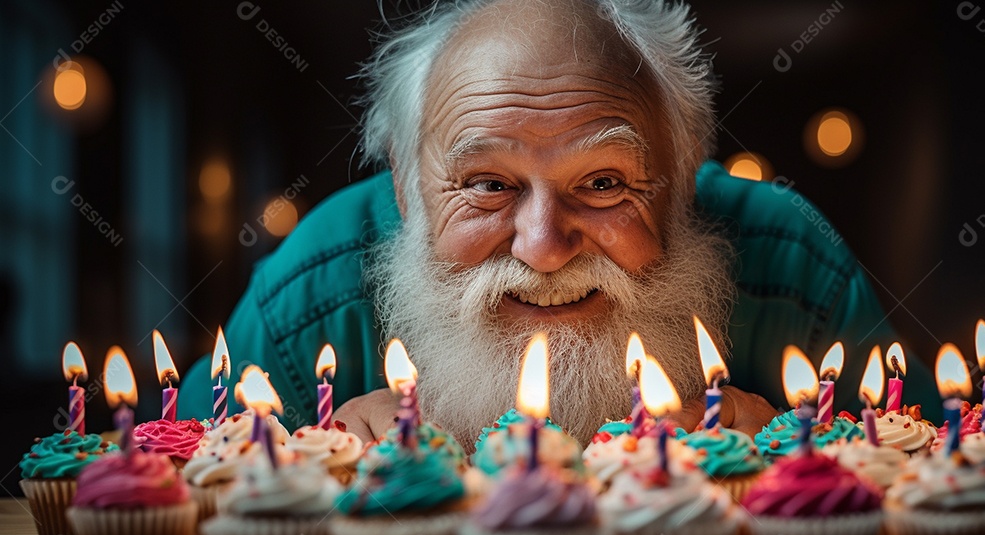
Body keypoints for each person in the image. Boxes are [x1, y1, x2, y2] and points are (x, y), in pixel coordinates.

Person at [176, 0, 938, 449]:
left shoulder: (792, 259)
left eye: (604, 182)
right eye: (487, 184)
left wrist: (792, 465)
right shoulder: (306, 295)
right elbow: (171, 497)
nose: (543, 248)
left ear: (683, 181)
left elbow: (937, 484)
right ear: (407, 188)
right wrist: (310, 465)